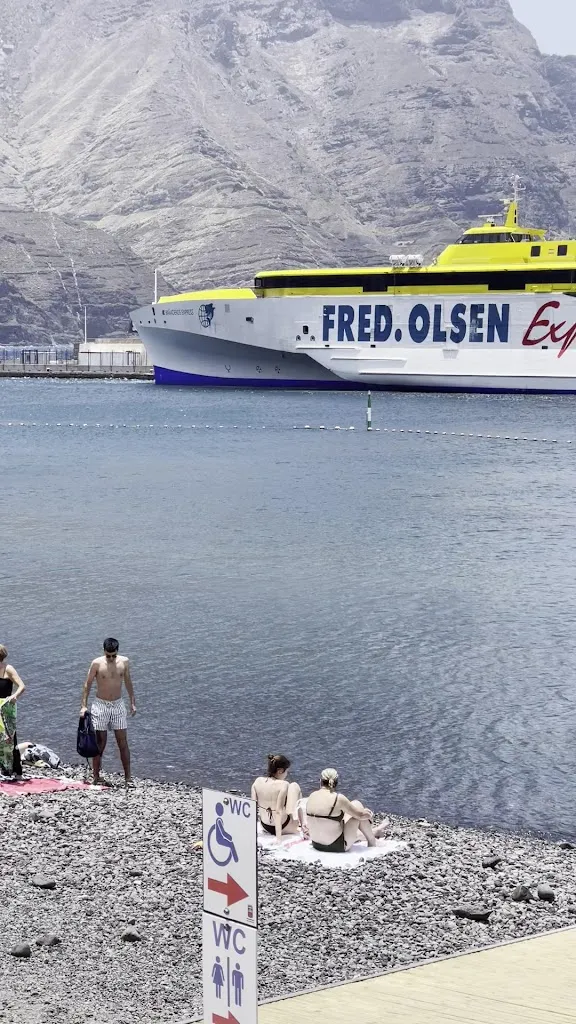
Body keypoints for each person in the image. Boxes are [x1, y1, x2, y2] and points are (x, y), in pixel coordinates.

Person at [80, 638, 136, 788]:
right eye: (108, 656)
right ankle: (96, 776)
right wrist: (83, 706)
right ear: (104, 652)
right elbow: (87, 684)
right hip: (101, 705)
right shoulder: (97, 663)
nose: (111, 658)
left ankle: (128, 778)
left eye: (113, 656)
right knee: (100, 742)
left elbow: (128, 681)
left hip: (118, 705)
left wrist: (132, 702)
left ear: (117, 652)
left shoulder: (124, 662)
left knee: (122, 742)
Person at [306, 768, 388, 853]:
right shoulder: (338, 798)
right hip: (336, 846)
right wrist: (369, 814)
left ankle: (375, 832)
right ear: (335, 783)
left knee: (344, 812)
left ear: (320, 781)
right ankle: (372, 841)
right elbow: (361, 816)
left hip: (317, 844)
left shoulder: (312, 796)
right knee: (357, 804)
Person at [251, 754, 305, 841]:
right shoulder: (284, 784)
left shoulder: (257, 781)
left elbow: (252, 807)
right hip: (284, 827)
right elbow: (278, 811)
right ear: (280, 771)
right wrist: (278, 838)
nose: (286, 775)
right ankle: (303, 826)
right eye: (286, 772)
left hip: (265, 826)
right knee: (295, 786)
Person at [0, 644, 26, 780]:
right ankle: (4, 769)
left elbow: (21, 686)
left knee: (10, 739)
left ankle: (17, 772)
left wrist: (15, 696)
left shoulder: (8, 669)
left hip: (6, 708)